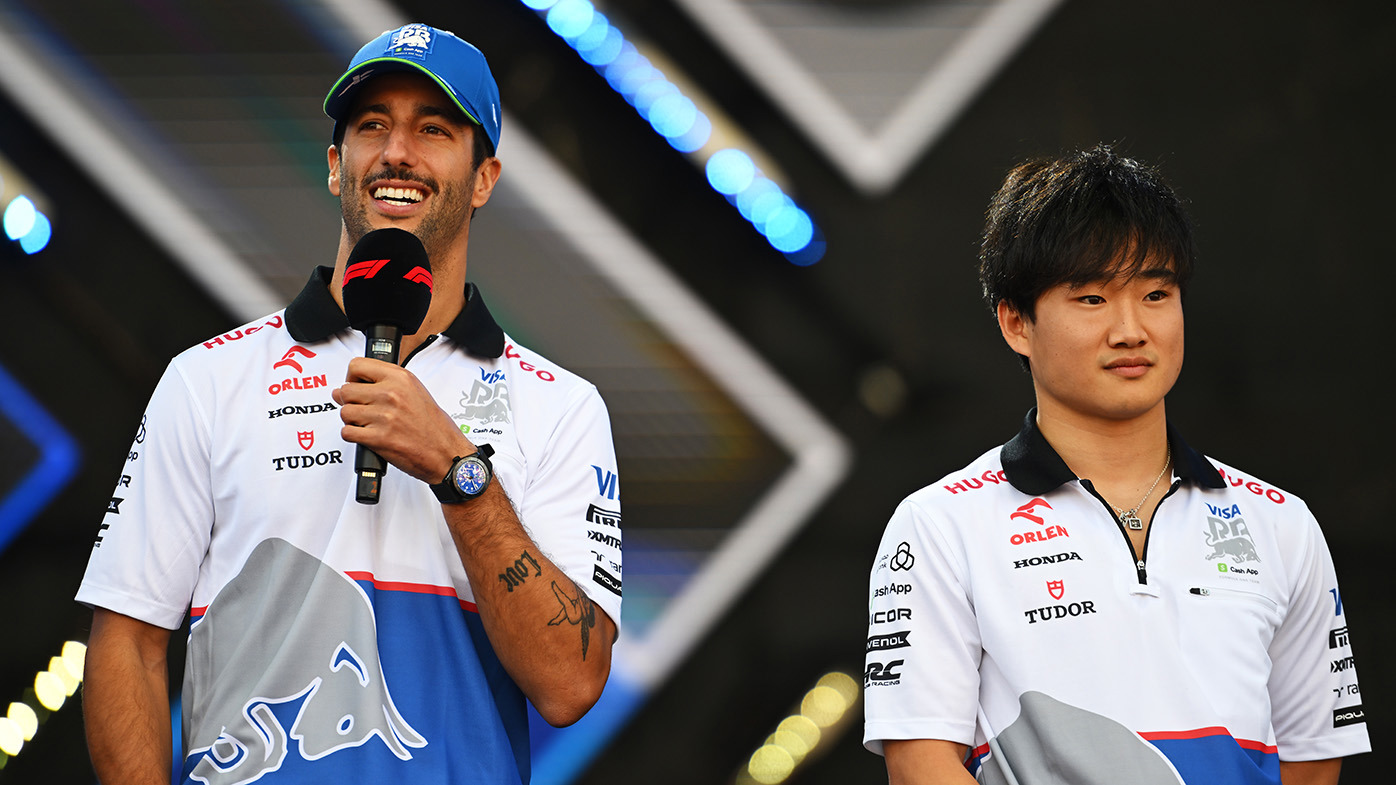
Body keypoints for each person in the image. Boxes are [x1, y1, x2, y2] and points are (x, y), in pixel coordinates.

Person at [76, 23, 623, 785]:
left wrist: (457, 469)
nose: (397, 151)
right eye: (373, 126)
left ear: (485, 176)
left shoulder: (562, 407)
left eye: (433, 128)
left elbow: (570, 684)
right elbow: (126, 642)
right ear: (337, 166)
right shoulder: (208, 378)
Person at [863, 145, 1368, 785]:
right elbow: (920, 764)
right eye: (1093, 299)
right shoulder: (941, 524)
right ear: (1016, 323)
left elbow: (1314, 755)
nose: (1131, 330)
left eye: (1156, 293)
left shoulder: (1282, 523)